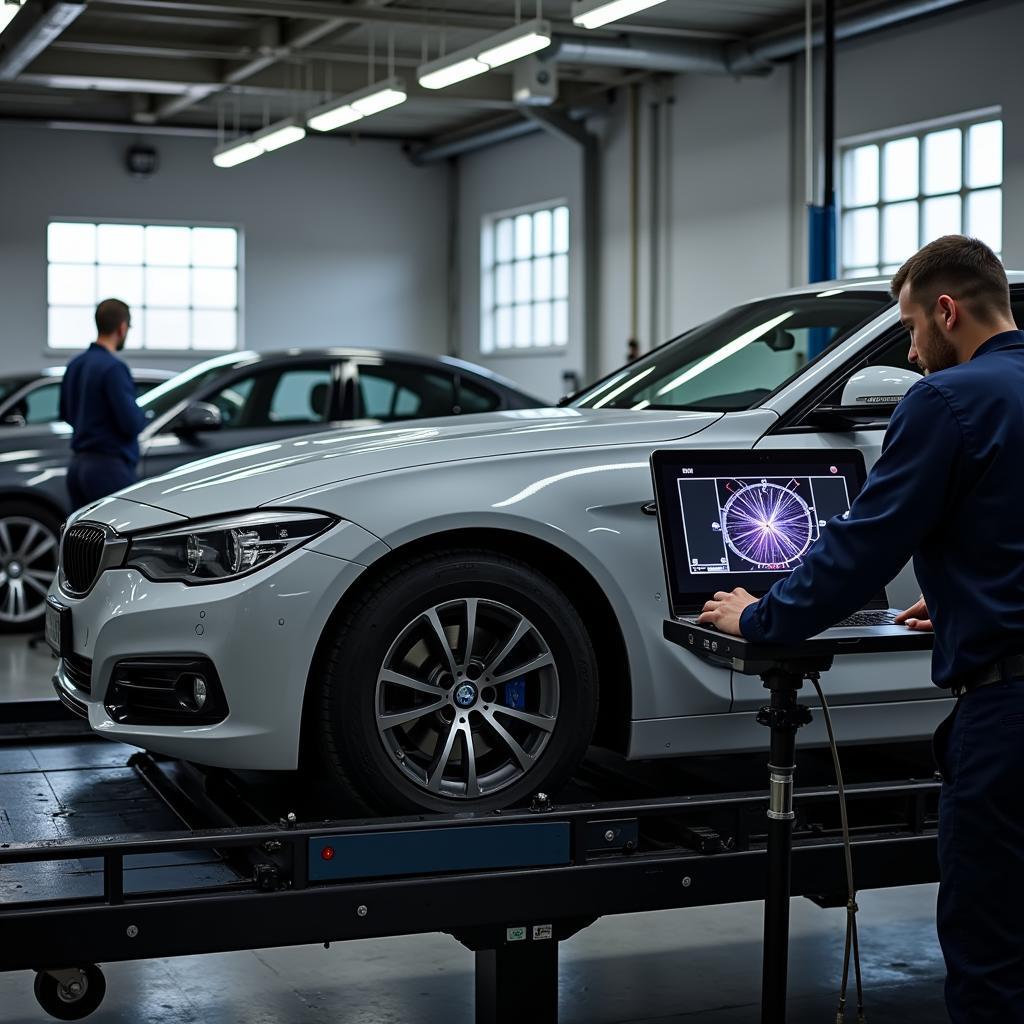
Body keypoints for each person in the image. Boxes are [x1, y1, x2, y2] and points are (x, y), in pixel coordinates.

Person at [697, 235, 1024, 1023]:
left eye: (911, 327)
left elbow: (859, 547)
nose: (911, 352)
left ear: (947, 311)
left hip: (1011, 720)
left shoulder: (947, 400)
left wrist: (762, 616)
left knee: (996, 956)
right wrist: (963, 599)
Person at [60, 299, 147, 509]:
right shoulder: (114, 367)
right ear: (122, 327)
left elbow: (66, 413)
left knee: (84, 538)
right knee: (123, 532)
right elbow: (130, 423)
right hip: (108, 468)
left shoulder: (75, 364)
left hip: (77, 467)